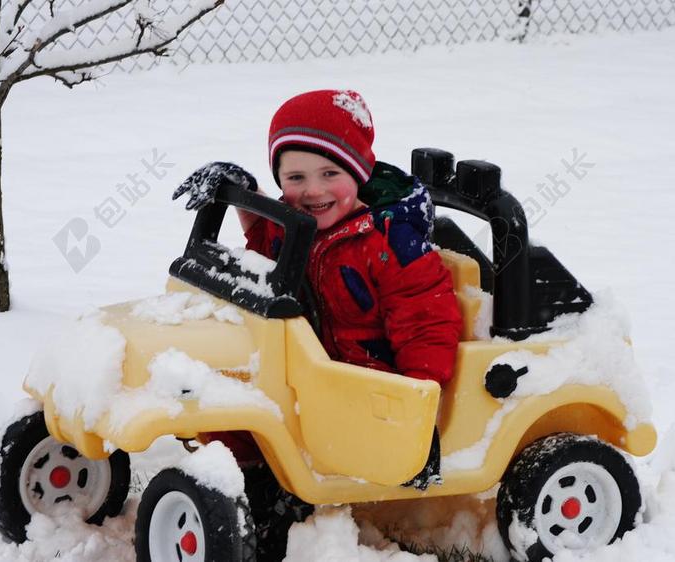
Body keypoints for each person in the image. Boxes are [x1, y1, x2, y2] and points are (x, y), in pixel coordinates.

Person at [173, 89, 464, 560]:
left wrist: (418, 405)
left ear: (359, 173)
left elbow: (425, 322)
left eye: (330, 174)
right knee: (233, 412)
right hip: (308, 371)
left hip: (370, 387)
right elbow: (267, 247)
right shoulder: (299, 222)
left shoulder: (391, 243)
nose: (313, 191)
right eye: (296, 177)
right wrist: (244, 194)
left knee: (281, 433)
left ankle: (280, 513)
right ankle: (247, 485)